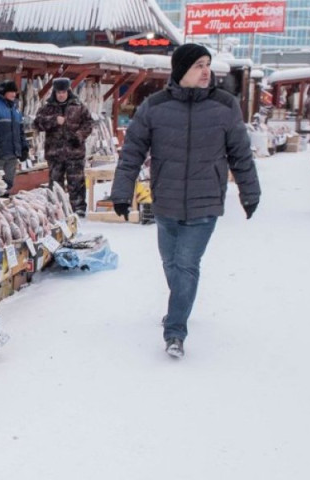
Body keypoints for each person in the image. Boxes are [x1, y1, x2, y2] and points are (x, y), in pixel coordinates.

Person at [110, 44, 260, 359]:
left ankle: (175, 331)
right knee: (170, 263)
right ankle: (180, 302)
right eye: (198, 65)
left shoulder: (225, 105)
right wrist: (122, 192)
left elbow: (241, 154)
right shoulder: (155, 106)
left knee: (187, 265)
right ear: (181, 71)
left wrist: (250, 192)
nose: (206, 71)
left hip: (205, 202)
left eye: (208, 64)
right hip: (165, 200)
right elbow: (132, 152)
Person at [33, 77, 94, 216]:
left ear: (68, 91)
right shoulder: (47, 108)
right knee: (55, 183)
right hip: (54, 153)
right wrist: (54, 120)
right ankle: (56, 209)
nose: (61, 94)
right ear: (54, 92)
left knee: (76, 182)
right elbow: (37, 123)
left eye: (63, 92)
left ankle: (78, 207)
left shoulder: (79, 106)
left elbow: (89, 124)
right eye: (58, 92)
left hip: (75, 152)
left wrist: (78, 136)